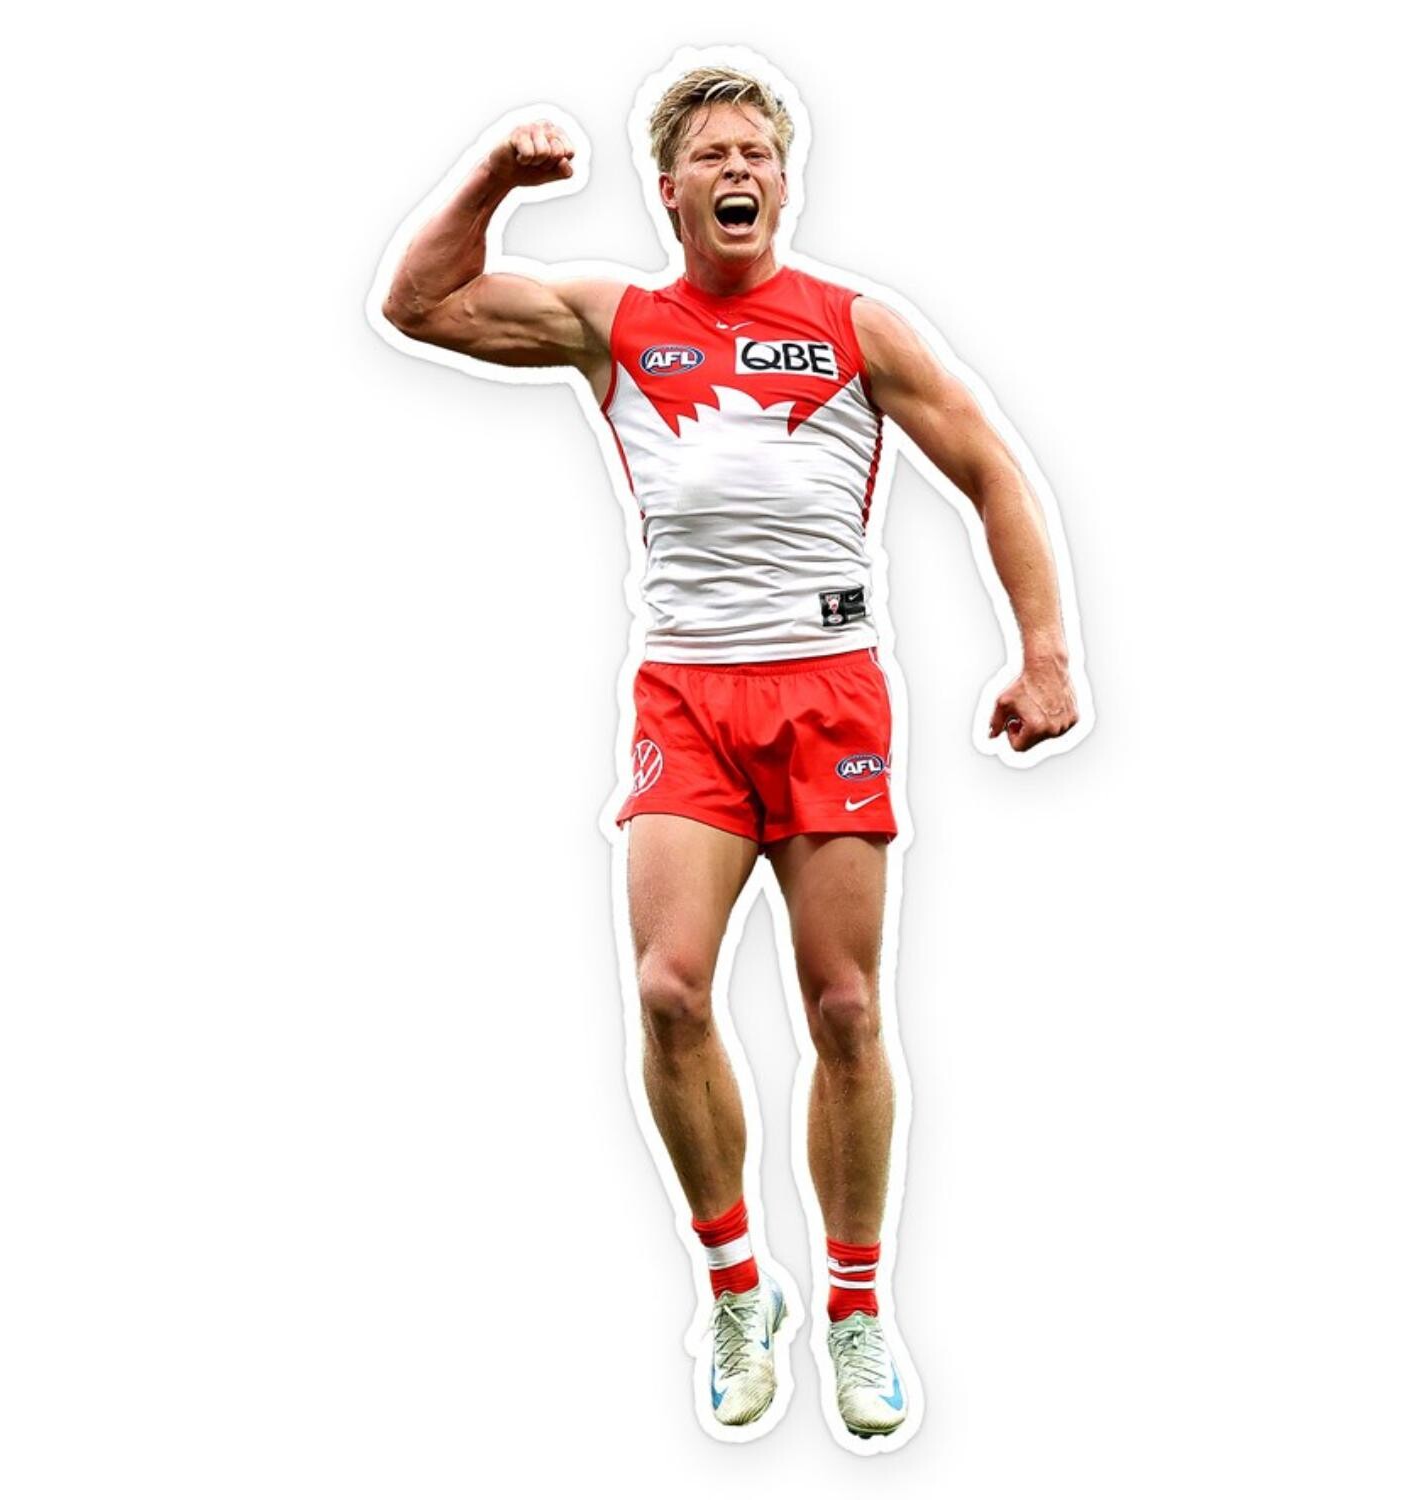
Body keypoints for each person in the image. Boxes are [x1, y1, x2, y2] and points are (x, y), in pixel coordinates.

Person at [380, 64, 1080, 1443]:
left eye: (760, 149)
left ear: (786, 179)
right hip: (689, 699)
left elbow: (992, 469)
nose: (740, 168)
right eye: (713, 154)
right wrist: (497, 176)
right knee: (669, 990)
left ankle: (858, 1309)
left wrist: (1045, 652)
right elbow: (417, 303)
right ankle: (737, 1290)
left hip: (828, 696)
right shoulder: (616, 321)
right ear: (672, 188)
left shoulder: (856, 325)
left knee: (845, 1010)